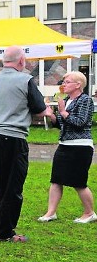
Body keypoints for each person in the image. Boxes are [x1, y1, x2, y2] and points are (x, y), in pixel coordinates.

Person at [0, 46, 54, 242]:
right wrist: (49, 112)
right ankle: (5, 232)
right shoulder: (25, 80)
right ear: (21, 61)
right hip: (12, 137)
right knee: (13, 186)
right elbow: (39, 109)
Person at [38, 71, 96, 224]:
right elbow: (61, 124)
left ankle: (89, 213)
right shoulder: (66, 100)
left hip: (80, 146)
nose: (64, 84)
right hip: (64, 145)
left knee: (78, 182)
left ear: (78, 84)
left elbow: (80, 122)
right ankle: (51, 212)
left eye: (67, 82)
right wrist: (51, 115)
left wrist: (63, 112)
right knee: (56, 180)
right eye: (63, 81)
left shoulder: (85, 100)